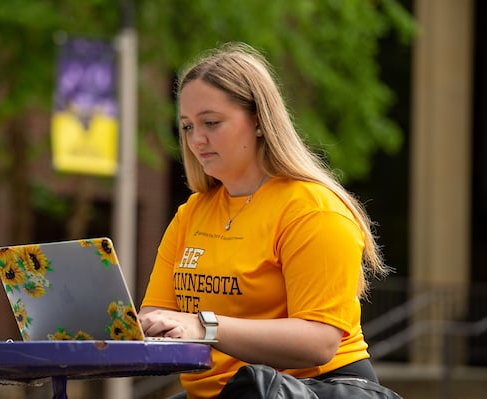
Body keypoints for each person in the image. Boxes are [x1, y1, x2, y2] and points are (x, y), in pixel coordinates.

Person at [138, 42, 400, 399]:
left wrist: (204, 326)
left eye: (211, 123)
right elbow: (158, 313)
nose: (197, 139)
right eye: (186, 126)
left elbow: (319, 342)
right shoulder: (192, 213)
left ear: (259, 121)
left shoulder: (312, 210)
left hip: (309, 388)